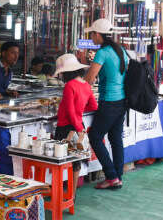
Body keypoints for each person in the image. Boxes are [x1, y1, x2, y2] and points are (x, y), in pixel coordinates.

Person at [83, 18, 129, 190]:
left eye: (92, 34)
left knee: (95, 137)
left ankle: (111, 176)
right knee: (116, 138)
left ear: (97, 34)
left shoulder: (102, 52)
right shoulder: (120, 50)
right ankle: (118, 176)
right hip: (122, 100)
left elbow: (89, 78)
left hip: (109, 101)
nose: (91, 38)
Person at [53, 54, 98, 191]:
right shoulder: (86, 85)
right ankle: (72, 194)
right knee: (76, 162)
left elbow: (70, 111)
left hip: (65, 128)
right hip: (79, 126)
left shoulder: (69, 86)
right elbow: (93, 106)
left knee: (60, 160)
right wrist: (80, 125)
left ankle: (58, 191)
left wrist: (77, 126)